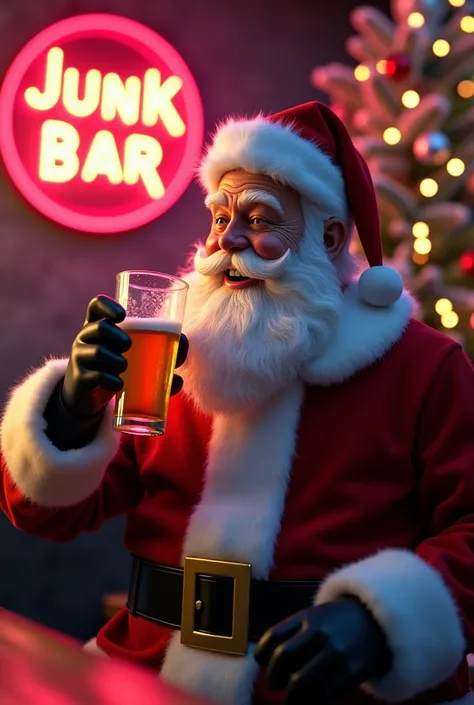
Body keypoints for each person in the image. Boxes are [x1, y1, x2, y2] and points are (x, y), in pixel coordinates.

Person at [1, 101, 474, 705]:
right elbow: (47, 513)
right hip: (149, 674)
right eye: (219, 216)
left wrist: (380, 621)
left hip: (327, 689)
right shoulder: (174, 353)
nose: (227, 239)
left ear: (329, 237)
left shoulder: (422, 368)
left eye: (258, 217)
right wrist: (72, 410)